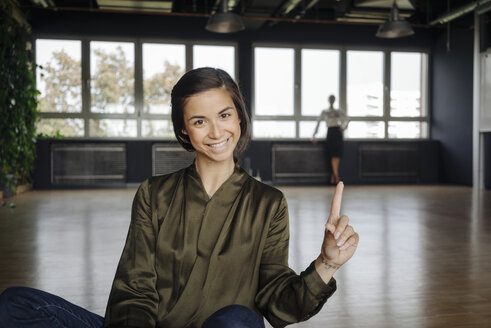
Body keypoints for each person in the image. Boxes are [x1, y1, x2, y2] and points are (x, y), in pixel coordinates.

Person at [0, 68, 359, 328]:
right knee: (15, 303)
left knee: (240, 319)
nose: (217, 131)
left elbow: (278, 305)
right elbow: (134, 291)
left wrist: (326, 264)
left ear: (240, 118)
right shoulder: (154, 194)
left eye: (224, 115)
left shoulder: (268, 203)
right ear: (184, 131)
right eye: (200, 121)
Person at [312, 95, 349, 185]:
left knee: (337, 155)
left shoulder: (338, 111)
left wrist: (343, 127)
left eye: (333, 99)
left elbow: (347, 119)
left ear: (334, 100)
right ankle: (336, 176)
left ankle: (334, 175)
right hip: (330, 132)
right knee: (332, 155)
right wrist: (314, 135)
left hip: (338, 132)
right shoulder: (325, 112)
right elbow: (318, 122)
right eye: (330, 99)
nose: (331, 100)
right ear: (328, 100)